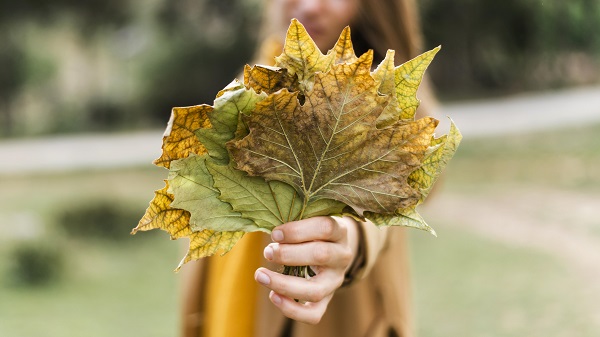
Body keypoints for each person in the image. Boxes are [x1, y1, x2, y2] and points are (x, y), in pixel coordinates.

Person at [181, 0, 436, 336]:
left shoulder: (375, 90)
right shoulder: (256, 78)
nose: (312, 6)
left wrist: (351, 239)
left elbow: (398, 187)